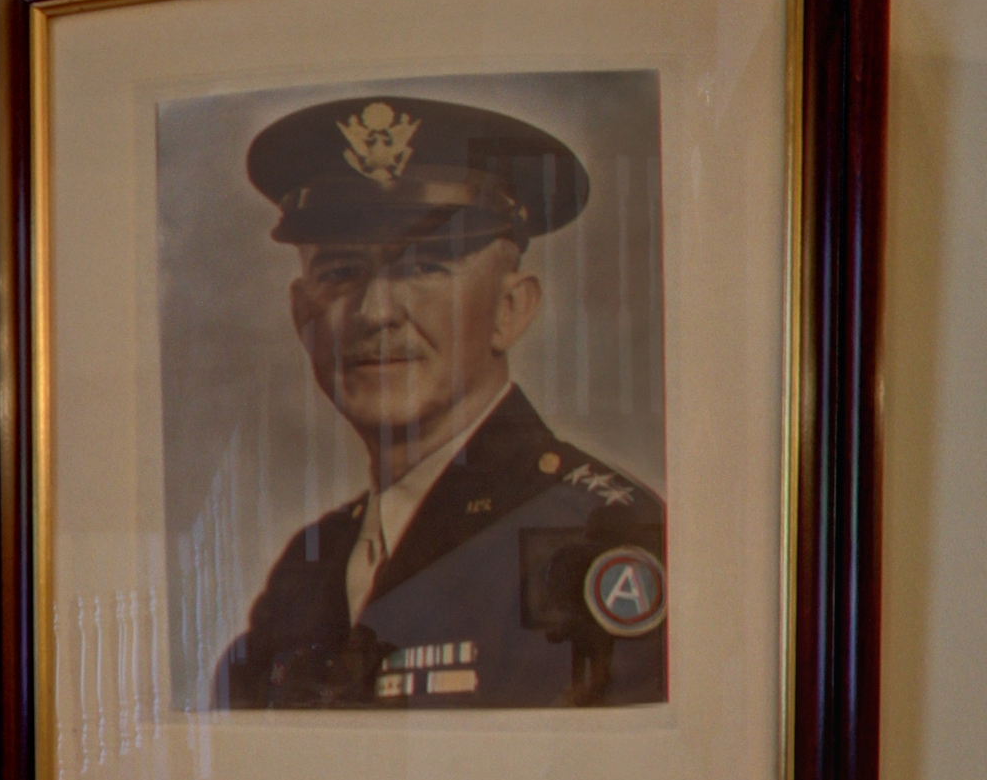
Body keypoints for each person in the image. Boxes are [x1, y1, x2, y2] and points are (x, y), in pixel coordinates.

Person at [203, 92, 666, 711]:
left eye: (424, 267)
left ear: (510, 310)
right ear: (301, 315)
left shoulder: (605, 534)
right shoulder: (306, 568)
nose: (374, 313)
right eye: (341, 272)